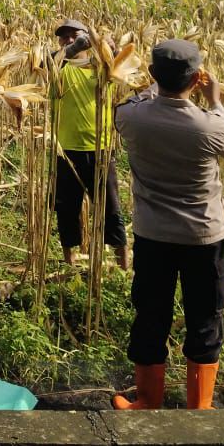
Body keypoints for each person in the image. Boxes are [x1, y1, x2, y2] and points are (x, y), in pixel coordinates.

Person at [112, 39, 224, 411]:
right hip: (204, 238)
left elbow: (127, 104)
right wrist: (216, 100)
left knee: (151, 315)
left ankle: (148, 402)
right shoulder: (210, 126)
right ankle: (199, 409)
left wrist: (152, 86)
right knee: (204, 319)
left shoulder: (132, 117)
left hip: (153, 236)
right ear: (197, 78)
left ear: (153, 75)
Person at [51, 19, 128, 271]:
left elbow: (126, 66)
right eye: (64, 38)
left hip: (101, 149)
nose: (68, 40)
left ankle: (123, 266)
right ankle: (69, 262)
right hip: (66, 149)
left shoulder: (103, 67)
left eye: (74, 36)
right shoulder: (59, 68)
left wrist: (112, 50)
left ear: (89, 38)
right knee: (66, 208)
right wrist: (72, 50)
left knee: (111, 209)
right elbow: (44, 63)